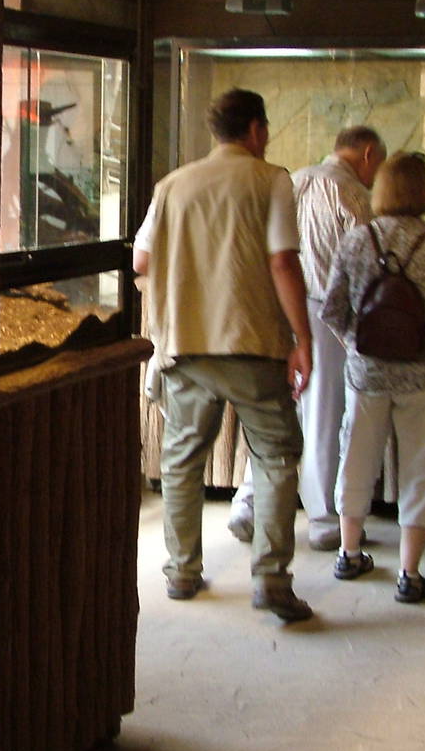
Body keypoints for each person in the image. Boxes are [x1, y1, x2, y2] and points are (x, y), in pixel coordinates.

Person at [135, 88, 316, 623]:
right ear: (257, 130)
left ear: (216, 131)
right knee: (276, 457)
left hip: (186, 346)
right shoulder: (272, 180)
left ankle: (182, 571)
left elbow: (142, 260)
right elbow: (282, 262)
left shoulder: (172, 185)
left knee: (182, 460)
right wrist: (303, 339)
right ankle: (271, 579)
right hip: (253, 344)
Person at [321, 151, 425, 602]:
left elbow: (333, 310)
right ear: (424, 190)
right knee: (421, 468)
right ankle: (409, 575)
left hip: (366, 374)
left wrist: (355, 346)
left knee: (356, 458)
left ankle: (349, 553)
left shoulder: (357, 240)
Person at [228, 126, 386, 553]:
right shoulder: (353, 195)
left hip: (277, 307)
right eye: (378, 165)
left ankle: (247, 504)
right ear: (367, 154)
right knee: (322, 416)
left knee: (276, 413)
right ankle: (323, 519)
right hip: (325, 315)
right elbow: (369, 264)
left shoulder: (293, 180)